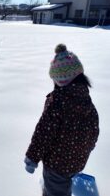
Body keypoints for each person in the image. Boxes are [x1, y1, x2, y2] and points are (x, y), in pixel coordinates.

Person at [25, 44, 99, 196]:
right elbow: (94, 129)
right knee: (63, 182)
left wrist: (32, 158)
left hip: (57, 166)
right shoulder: (86, 100)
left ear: (59, 81)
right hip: (79, 160)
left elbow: (43, 134)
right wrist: (87, 147)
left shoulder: (57, 102)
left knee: (55, 192)